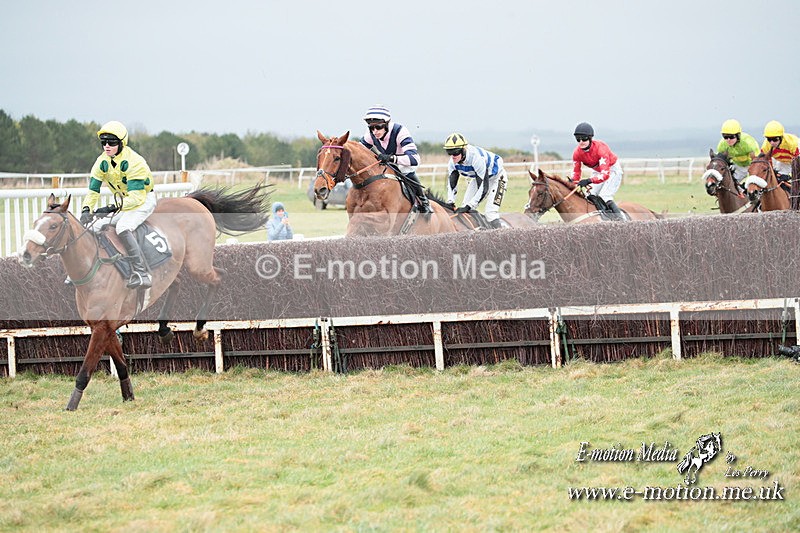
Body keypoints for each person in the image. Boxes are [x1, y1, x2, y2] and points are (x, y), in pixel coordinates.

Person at [79, 120, 156, 289]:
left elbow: (136, 198)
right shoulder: (101, 162)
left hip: (142, 200)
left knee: (122, 227)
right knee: (95, 226)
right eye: (103, 142)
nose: (106, 146)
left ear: (121, 143)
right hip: (123, 203)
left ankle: (141, 272)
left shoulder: (135, 162)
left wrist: (110, 208)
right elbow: (93, 191)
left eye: (111, 143)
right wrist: (86, 209)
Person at [359, 104, 431, 213]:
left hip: (404, 165)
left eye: (378, 127)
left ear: (387, 124)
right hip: (387, 166)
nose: (375, 131)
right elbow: (359, 150)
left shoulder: (400, 131)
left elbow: (414, 159)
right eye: (371, 128)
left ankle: (423, 201)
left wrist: (392, 158)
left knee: (405, 169)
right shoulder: (370, 135)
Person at [443, 133, 507, 229]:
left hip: (497, 178)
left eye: (455, 152)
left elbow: (484, 188)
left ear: (463, 150)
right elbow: (452, 184)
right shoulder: (452, 162)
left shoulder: (476, 158)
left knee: (490, 212)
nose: (453, 156)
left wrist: (470, 206)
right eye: (449, 152)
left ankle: (502, 237)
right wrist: (450, 200)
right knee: (465, 210)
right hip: (478, 178)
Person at [570, 122, 624, 220]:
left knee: (604, 196)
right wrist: (572, 182)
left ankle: (622, 220)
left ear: (590, 138)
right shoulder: (577, 153)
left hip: (612, 170)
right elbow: (576, 173)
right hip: (598, 172)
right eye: (578, 139)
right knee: (589, 196)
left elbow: (605, 175)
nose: (581, 141)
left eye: (584, 138)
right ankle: (602, 217)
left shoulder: (601, 148)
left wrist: (588, 180)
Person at [716, 119, 760, 187]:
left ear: (738, 135)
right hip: (738, 166)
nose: (728, 140)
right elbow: (720, 162)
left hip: (751, 166)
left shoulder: (748, 142)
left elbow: (756, 162)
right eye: (725, 137)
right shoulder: (722, 144)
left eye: (731, 137)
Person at [760, 120, 799, 194]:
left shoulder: (793, 143)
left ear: (781, 137)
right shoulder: (766, 146)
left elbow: (797, 165)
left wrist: (789, 176)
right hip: (781, 162)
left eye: (775, 139)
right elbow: (763, 163)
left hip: (795, 161)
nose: (772, 143)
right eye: (769, 139)